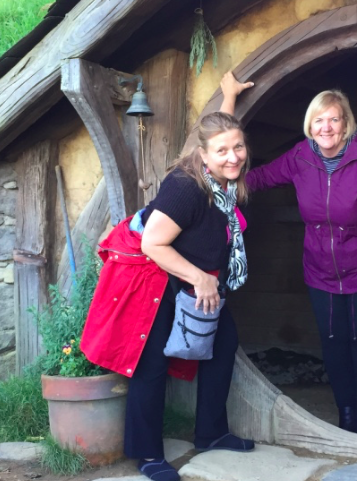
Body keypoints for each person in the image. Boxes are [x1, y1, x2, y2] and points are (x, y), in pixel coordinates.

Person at [81, 73, 256, 481]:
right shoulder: (187, 188)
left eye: (239, 147)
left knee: (223, 342)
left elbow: (221, 131)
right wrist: (202, 279)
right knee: (152, 360)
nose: (233, 157)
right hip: (154, 274)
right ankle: (147, 454)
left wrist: (228, 98)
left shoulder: (223, 171)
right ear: (203, 154)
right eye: (223, 151)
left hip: (188, 271)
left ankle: (211, 433)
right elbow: (153, 245)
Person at [226, 83, 357, 436]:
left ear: (346, 124)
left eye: (334, 120)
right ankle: (345, 415)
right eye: (319, 120)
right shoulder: (300, 157)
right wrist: (223, 175)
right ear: (310, 125)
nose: (326, 127)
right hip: (320, 270)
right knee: (334, 341)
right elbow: (259, 178)